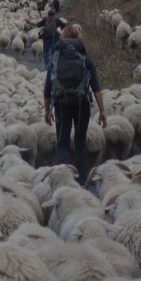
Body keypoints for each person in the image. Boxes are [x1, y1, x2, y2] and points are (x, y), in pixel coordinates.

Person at [43, 24, 106, 183]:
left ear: (63, 37)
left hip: (61, 101)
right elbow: (96, 86)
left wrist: (47, 110)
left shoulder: (56, 57)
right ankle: (82, 181)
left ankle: (64, 180)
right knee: (79, 143)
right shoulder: (85, 57)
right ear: (78, 37)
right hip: (81, 102)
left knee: (63, 143)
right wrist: (102, 110)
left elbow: (48, 87)